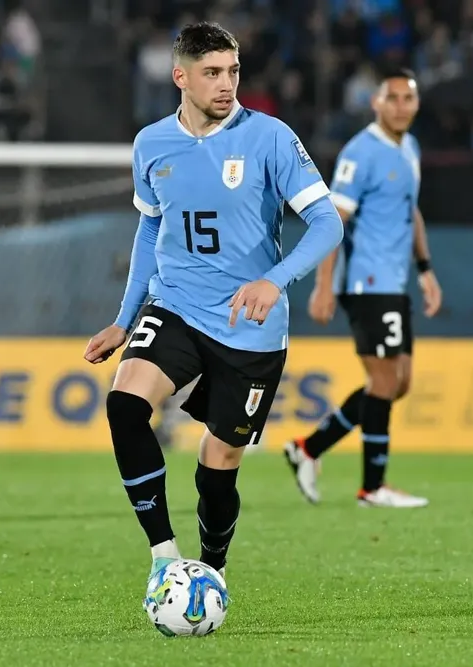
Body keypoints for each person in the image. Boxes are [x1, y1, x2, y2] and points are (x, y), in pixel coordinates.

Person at [84, 22, 343, 580]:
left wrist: (275, 279)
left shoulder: (269, 137)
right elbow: (151, 231)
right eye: (212, 73)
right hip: (175, 305)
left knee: (218, 464)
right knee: (126, 405)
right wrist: (124, 320)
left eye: (233, 71)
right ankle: (163, 560)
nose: (227, 85)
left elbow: (326, 223)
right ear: (181, 77)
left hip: (249, 327)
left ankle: (211, 569)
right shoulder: (151, 144)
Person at [282, 68, 442, 508]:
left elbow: (412, 213)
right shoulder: (361, 152)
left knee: (397, 382)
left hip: (396, 280)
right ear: (376, 102)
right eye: (392, 98)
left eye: (408, 98)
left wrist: (425, 269)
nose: (400, 106)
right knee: (385, 379)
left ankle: (309, 448)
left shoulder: (409, 147)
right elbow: (334, 220)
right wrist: (323, 285)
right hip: (367, 281)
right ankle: (372, 487)